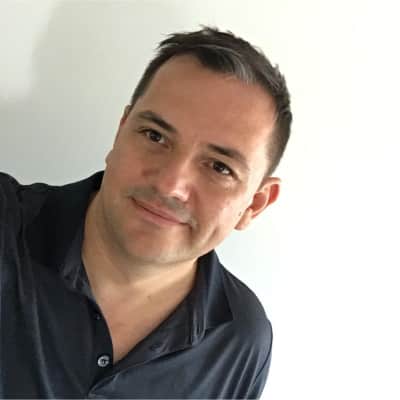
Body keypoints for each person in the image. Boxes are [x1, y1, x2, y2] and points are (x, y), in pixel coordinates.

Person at [0, 26, 292, 399]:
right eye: (155, 136)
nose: (170, 185)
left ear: (254, 204)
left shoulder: (241, 342)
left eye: (219, 167)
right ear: (121, 131)